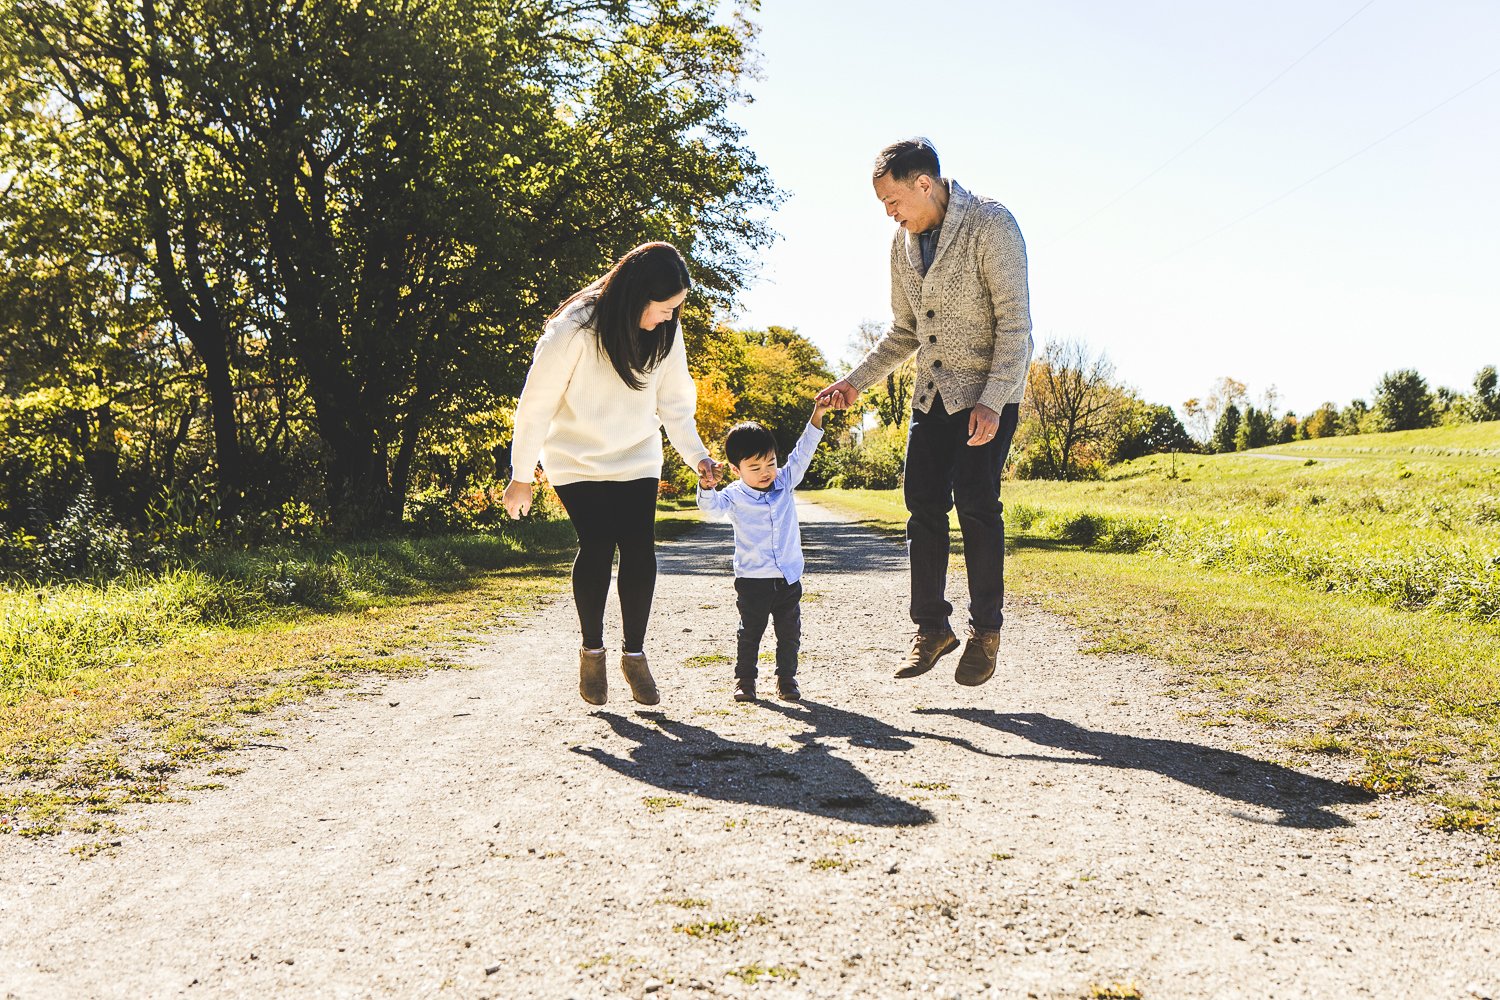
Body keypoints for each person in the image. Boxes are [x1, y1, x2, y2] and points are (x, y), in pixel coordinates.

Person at [818, 137, 1032, 687]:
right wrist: (853, 382)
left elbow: (1015, 327)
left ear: (924, 183)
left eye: (893, 201)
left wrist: (991, 400)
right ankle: (932, 627)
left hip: (987, 396)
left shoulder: (991, 224)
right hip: (931, 397)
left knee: (979, 507)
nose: (890, 214)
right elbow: (904, 332)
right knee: (922, 509)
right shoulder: (902, 245)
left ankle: (986, 631)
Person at [503, 242, 719, 707]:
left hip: (637, 452)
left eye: (676, 309)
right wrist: (522, 474)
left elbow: (676, 404)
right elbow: (535, 406)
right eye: (664, 308)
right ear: (636, 294)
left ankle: (635, 656)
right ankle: (592, 651)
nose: (669, 318)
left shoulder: (666, 331)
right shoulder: (573, 330)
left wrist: (697, 456)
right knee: (598, 544)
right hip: (575, 458)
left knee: (639, 548)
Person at [696, 398, 830, 703]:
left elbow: (804, 451)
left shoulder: (785, 481)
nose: (765, 471)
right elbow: (710, 508)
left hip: (787, 579)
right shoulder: (732, 495)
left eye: (770, 462)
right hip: (752, 580)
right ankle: (745, 681)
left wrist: (817, 414)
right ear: (735, 469)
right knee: (750, 633)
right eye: (755, 467)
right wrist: (706, 486)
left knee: (789, 634)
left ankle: (787, 680)